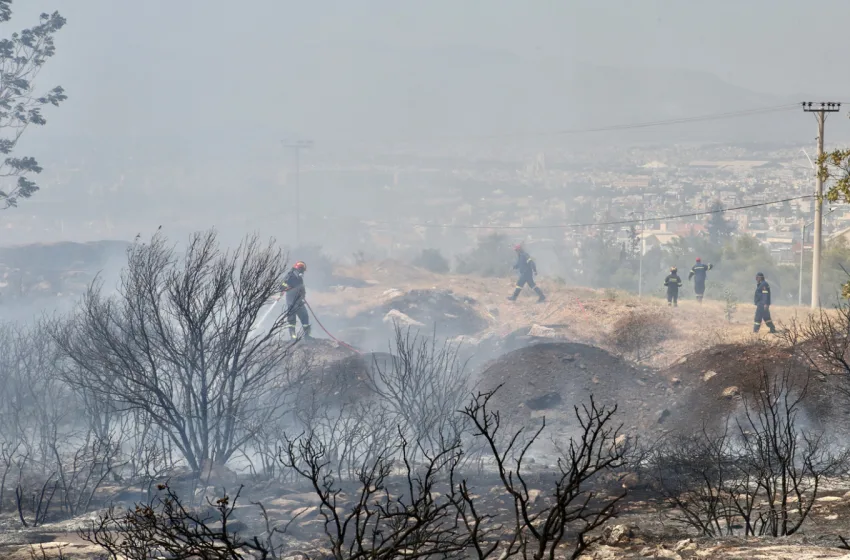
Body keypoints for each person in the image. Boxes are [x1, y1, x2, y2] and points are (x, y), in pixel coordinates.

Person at [279, 261, 311, 340]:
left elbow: (302, 288)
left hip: (299, 302)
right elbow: (281, 285)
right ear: (298, 269)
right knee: (292, 321)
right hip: (291, 303)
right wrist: (287, 287)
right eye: (302, 270)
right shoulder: (290, 276)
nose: (302, 272)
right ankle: (293, 338)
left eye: (303, 271)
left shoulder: (299, 279)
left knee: (305, 317)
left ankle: (307, 336)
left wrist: (303, 296)